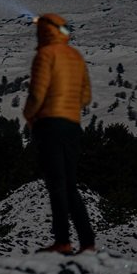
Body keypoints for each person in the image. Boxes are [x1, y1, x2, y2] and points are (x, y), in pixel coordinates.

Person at [23, 13, 95, 255]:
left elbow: (37, 95)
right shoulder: (75, 56)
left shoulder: (45, 55)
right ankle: (87, 243)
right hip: (72, 125)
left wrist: (29, 116)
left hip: (49, 125)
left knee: (56, 184)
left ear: (44, 32)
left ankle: (62, 241)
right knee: (70, 184)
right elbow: (85, 97)